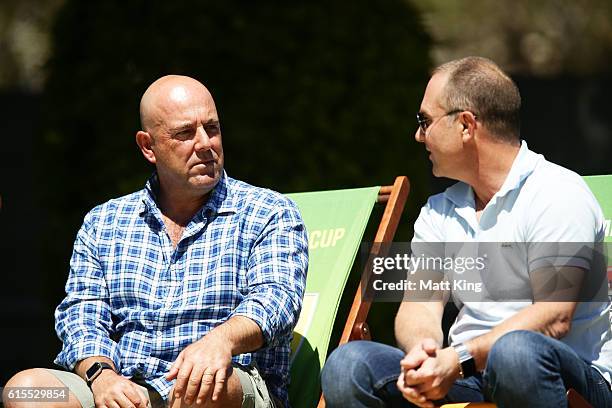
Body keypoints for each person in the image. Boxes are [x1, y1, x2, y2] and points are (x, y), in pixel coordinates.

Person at [321, 57, 612, 407]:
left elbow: (555, 316)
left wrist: (457, 359)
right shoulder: (439, 210)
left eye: (424, 121)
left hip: (567, 376)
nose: (418, 135)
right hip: (472, 375)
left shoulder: (558, 193)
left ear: (466, 125)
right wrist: (425, 356)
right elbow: (420, 306)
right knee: (348, 365)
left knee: (515, 353)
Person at [3, 75, 308, 408]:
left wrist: (220, 341)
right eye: (185, 133)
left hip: (225, 382)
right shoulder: (104, 222)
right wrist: (103, 377)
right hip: (126, 386)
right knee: (25, 389)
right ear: (148, 147)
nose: (205, 143)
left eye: (213, 128)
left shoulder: (268, 211)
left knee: (200, 384)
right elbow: (82, 316)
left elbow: (276, 300)